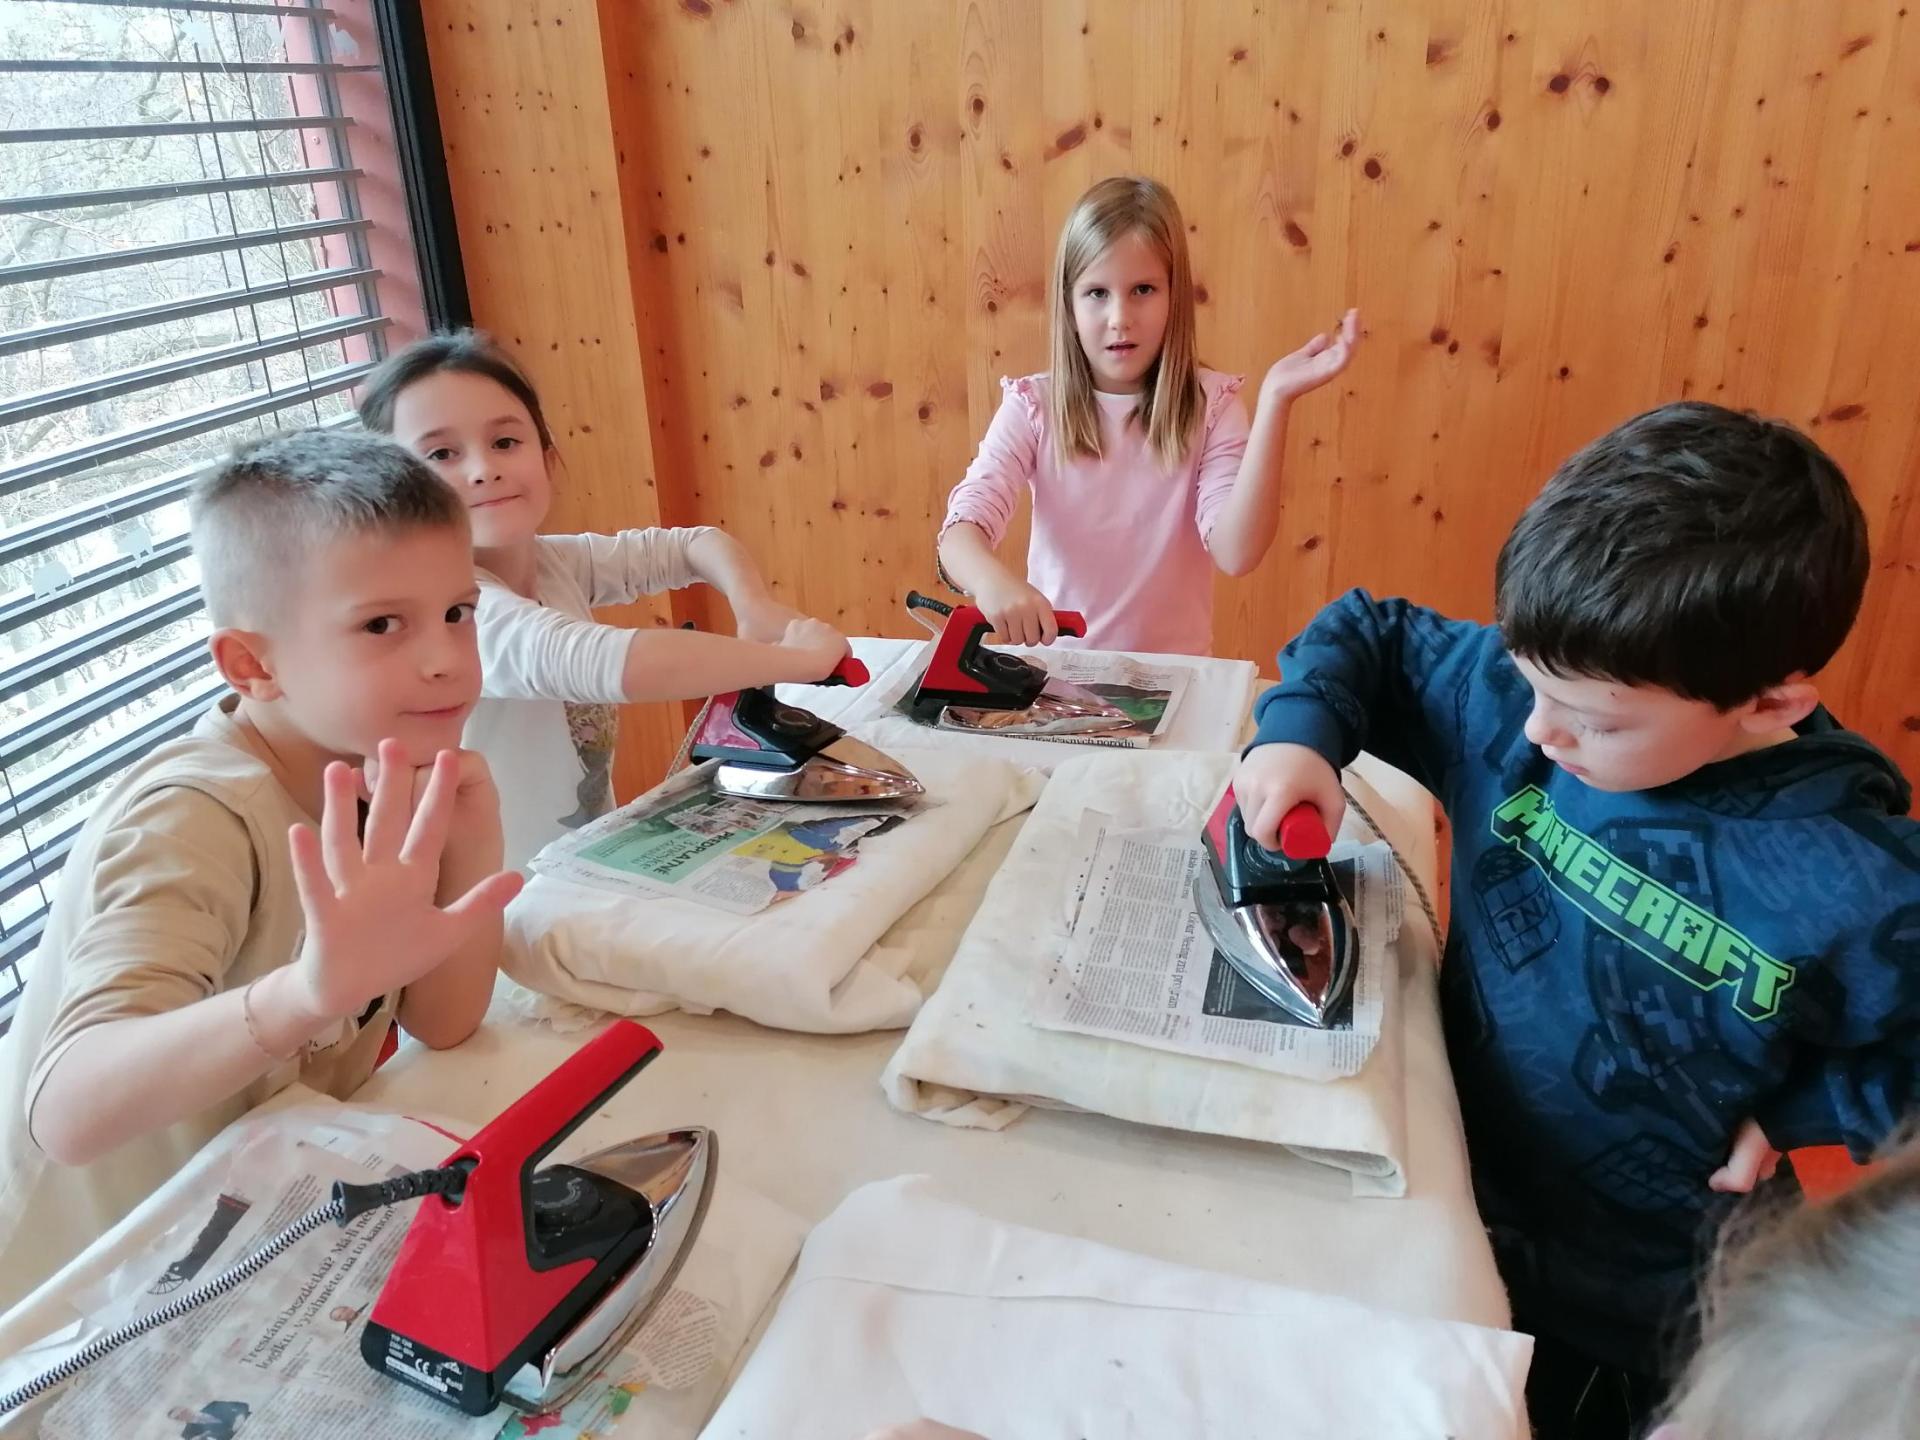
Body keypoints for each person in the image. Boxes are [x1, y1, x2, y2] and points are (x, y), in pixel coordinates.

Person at [1232, 401, 1920, 1435]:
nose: (1540, 731)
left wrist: (1810, 1107)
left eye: (1594, 721)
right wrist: (1299, 735)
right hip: (1440, 1191)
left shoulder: (1860, 881)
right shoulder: (1547, 697)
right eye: (1526, 681)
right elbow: (1369, 631)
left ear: (1770, 705)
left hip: (1629, 1305)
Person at [0, 430, 522, 1308]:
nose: (445, 659)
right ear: (253, 664)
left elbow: (445, 1021)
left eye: (457, 613)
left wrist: (471, 833)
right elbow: (68, 1111)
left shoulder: (373, 770)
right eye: (382, 624)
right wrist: (304, 995)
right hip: (71, 1301)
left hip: (238, 1240)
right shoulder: (198, 816)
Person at [359, 330, 849, 864]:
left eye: (505, 442)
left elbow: (692, 544)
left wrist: (751, 603)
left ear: (547, 458)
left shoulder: (555, 563)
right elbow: (609, 662)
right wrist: (797, 661)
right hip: (500, 895)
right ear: (395, 491)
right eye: (441, 453)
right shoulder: (454, 612)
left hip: (575, 868)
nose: (484, 469)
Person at [937, 173, 1359, 655]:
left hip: (1176, 681)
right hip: (1057, 676)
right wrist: (991, 581)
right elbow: (960, 533)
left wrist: (1275, 402)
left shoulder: (1213, 405)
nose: (1120, 318)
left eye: (1143, 289)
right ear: (1068, 304)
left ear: (1174, 296)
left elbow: (1237, 552)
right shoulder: (1033, 406)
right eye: (1097, 293)